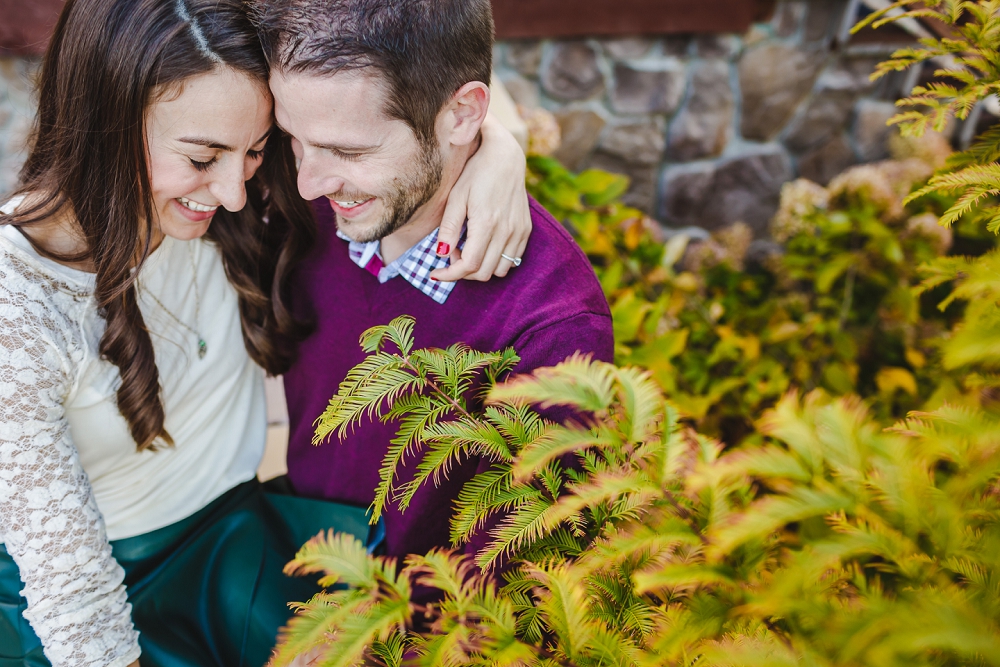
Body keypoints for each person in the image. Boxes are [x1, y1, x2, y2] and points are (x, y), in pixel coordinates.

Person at [0, 0, 532, 665]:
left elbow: (449, 95)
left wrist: (498, 155)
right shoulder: (14, 308)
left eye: (254, 150)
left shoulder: (232, 191)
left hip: (234, 544)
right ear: (105, 123)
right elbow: (75, 600)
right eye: (202, 158)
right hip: (87, 603)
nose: (230, 193)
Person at [256, 0, 615, 562]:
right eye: (292, 138)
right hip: (292, 557)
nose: (307, 183)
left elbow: (519, 573)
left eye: (350, 150)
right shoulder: (319, 197)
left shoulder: (554, 326)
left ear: (462, 114)